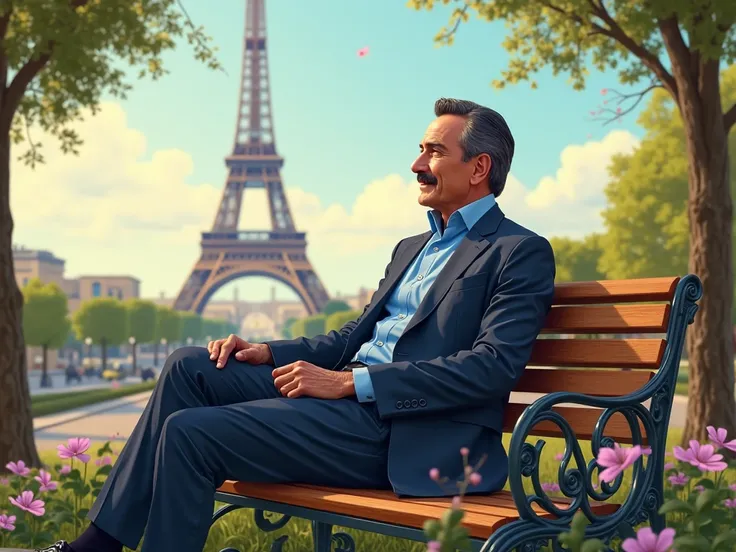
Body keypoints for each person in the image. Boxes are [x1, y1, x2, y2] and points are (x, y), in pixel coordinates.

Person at [38, 98, 556, 552]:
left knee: (189, 434)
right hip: (347, 405)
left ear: (479, 167)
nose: (416, 163)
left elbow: (491, 367)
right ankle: (100, 544)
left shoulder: (518, 252)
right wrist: (269, 351)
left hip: (404, 433)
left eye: (434, 152)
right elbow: (354, 338)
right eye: (419, 149)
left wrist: (349, 382)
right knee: (188, 367)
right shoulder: (412, 248)